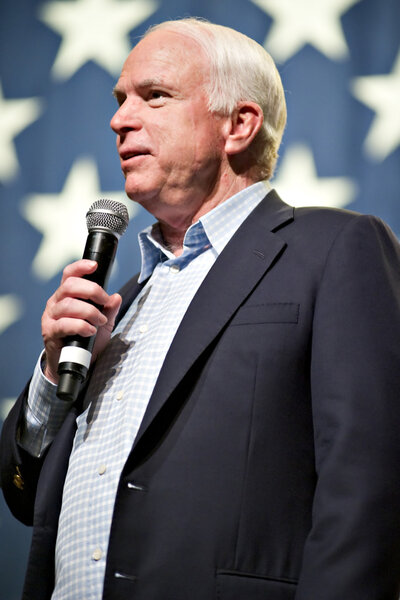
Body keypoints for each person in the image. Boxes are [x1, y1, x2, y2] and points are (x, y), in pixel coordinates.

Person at [1, 17, 400, 600]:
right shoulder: (123, 304)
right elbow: (22, 496)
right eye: (119, 100)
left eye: (154, 96)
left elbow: (371, 487)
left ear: (239, 125)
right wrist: (50, 375)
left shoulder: (336, 249)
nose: (119, 119)